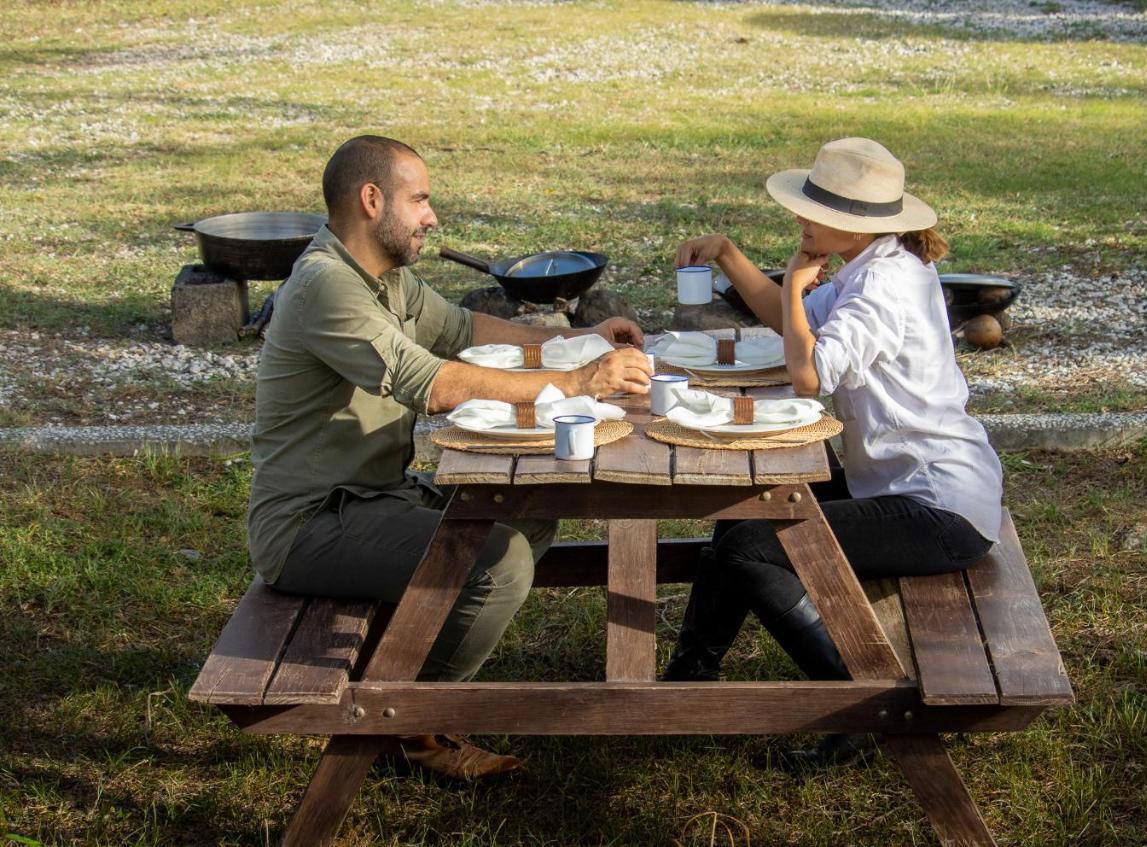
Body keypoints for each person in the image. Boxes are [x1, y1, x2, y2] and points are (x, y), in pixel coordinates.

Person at [248, 135, 651, 779]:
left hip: (377, 496)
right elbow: (433, 383)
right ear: (371, 199)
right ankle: (403, 723)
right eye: (421, 199)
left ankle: (403, 676)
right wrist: (578, 382)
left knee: (532, 513)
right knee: (499, 562)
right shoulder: (326, 286)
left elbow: (465, 333)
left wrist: (578, 339)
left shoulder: (386, 277)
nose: (432, 216)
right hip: (310, 523)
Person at [663, 138, 1004, 767]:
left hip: (939, 512)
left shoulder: (881, 287)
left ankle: (866, 702)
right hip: (906, 485)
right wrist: (731, 257)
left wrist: (794, 283)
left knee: (748, 548)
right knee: (743, 512)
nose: (799, 219)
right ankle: (686, 683)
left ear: (851, 223)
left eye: (809, 212)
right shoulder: (878, 263)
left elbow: (809, 374)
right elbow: (787, 325)